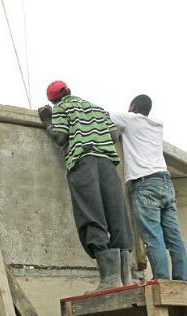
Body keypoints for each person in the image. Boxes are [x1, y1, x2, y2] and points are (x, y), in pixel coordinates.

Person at [38, 80, 134, 292]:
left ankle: (110, 279)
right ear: (69, 90)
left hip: (84, 164)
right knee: (117, 216)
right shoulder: (96, 108)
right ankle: (125, 279)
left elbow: (60, 138)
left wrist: (47, 121)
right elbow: (114, 135)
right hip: (108, 165)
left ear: (53, 100)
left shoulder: (62, 107)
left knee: (92, 217)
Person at [109, 94, 187, 281]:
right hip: (165, 182)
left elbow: (100, 114)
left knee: (153, 235)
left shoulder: (130, 119)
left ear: (134, 106)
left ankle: (161, 280)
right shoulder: (158, 125)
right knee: (174, 236)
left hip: (145, 184)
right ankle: (181, 280)